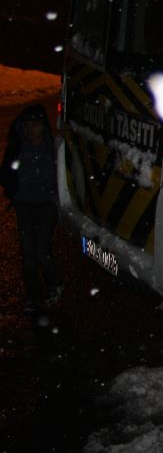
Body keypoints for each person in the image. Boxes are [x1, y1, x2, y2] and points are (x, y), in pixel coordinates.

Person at [1, 104, 62, 313]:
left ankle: (53, 286)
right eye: (26, 126)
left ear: (43, 127)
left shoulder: (52, 147)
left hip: (46, 204)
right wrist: (13, 192)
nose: (30, 130)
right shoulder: (18, 148)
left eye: (35, 125)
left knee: (42, 250)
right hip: (24, 205)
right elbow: (7, 172)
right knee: (28, 254)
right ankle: (33, 295)